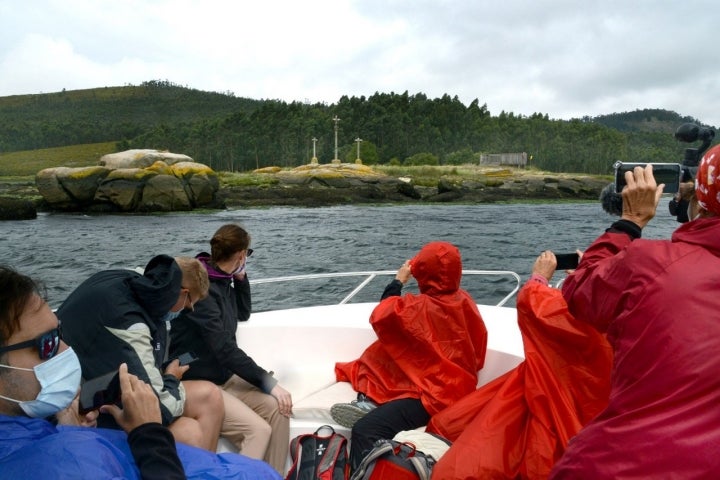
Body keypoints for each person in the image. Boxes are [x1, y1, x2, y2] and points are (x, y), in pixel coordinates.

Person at [0, 265, 282, 480]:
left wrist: (66, 426)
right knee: (209, 424)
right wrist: (148, 433)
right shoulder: (52, 466)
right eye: (47, 344)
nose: (66, 350)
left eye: (60, 332)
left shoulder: (42, 436)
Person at [551, 158, 720, 478]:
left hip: (624, 464)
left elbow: (579, 292)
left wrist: (630, 221)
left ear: (699, 198)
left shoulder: (650, 265)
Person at [426, 251, 612, 479]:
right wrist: (587, 282)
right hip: (591, 418)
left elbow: (535, 307)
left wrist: (539, 279)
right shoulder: (626, 321)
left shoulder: (413, 306)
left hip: (544, 417)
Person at [331, 241, 488, 471]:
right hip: (459, 389)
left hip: (432, 398)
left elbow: (382, 313)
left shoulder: (416, 307)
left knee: (365, 430)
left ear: (422, 272)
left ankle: (364, 470)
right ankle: (370, 405)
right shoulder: (466, 302)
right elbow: (478, 353)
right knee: (385, 369)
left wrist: (399, 280)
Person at [57, 254, 224, 452]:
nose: (190, 309)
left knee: (211, 395)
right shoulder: (131, 322)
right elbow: (160, 411)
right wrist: (171, 378)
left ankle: (209, 468)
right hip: (84, 410)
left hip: (93, 387)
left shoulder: (122, 281)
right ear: (182, 293)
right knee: (190, 433)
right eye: (188, 305)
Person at [169, 224, 292, 475]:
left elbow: (243, 312)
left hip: (222, 376)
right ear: (241, 254)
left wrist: (241, 278)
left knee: (280, 410)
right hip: (201, 381)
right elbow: (224, 348)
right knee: (259, 430)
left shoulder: (223, 281)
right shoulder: (200, 288)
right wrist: (268, 382)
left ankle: (273, 474)